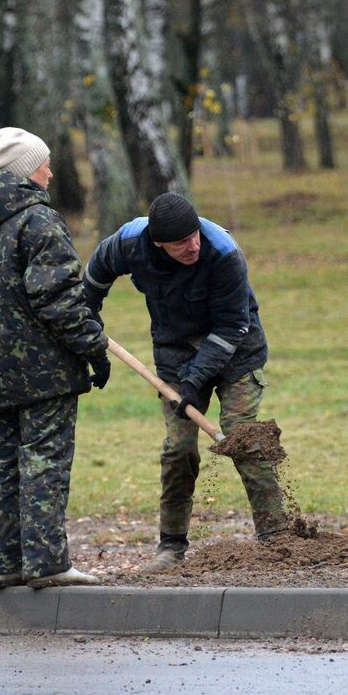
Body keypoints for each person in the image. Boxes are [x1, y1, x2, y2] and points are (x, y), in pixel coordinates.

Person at [84, 193, 289, 571]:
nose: (192, 245)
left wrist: (196, 381)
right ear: (158, 243)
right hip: (175, 349)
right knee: (178, 449)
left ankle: (277, 538)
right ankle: (171, 546)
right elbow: (96, 273)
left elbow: (232, 326)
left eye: (194, 235)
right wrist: (87, 316)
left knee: (241, 434)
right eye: (181, 242)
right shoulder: (129, 242)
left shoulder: (224, 252)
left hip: (237, 349)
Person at [0, 127, 111, 589]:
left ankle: (5, 564)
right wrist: (94, 349)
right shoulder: (38, 221)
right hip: (45, 374)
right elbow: (58, 298)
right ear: (26, 172)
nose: (51, 170)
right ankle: (47, 565)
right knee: (44, 460)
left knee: (1, 464)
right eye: (44, 163)